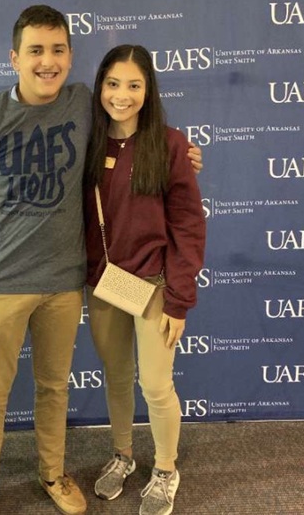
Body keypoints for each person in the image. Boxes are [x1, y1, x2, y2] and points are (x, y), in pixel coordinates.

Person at [0, 6, 203, 515]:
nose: (47, 61)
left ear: (69, 56)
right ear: (14, 58)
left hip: (75, 283)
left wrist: (182, 152)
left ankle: (64, 474)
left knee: (61, 389)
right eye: (36, 51)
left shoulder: (86, 107)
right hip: (13, 282)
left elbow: (145, 144)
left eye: (58, 50)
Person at [83, 45, 206, 515]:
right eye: (113, 83)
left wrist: (179, 299)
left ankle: (166, 468)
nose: (122, 95)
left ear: (148, 89)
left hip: (154, 285)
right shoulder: (88, 144)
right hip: (105, 284)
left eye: (134, 85)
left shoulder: (170, 145)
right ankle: (123, 454)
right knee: (117, 377)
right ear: (100, 86)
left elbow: (188, 225)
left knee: (155, 384)